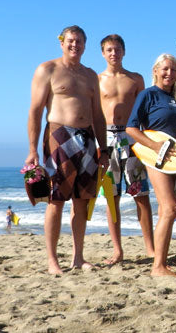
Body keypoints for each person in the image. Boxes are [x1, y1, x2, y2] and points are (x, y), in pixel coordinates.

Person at [26, 25, 109, 275]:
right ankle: (52, 261)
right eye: (71, 41)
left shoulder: (91, 75)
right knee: (56, 200)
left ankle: (78, 257)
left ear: (85, 45)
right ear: (61, 42)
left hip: (87, 139)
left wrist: (103, 149)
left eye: (80, 41)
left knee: (82, 201)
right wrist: (32, 150)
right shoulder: (48, 69)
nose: (75, 45)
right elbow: (35, 111)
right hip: (59, 135)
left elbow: (98, 115)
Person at [126, 53, 176, 277]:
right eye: (165, 69)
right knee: (171, 207)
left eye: (173, 70)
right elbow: (131, 128)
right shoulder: (148, 95)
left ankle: (161, 263)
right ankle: (158, 266)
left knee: (166, 209)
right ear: (155, 70)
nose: (169, 73)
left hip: (175, 160)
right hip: (156, 158)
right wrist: (154, 146)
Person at [98, 34, 155, 263]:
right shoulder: (97, 79)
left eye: (117, 49)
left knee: (141, 195)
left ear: (124, 51)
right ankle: (117, 250)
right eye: (109, 50)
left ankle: (150, 247)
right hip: (107, 138)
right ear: (103, 53)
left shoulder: (135, 79)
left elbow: (145, 112)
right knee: (112, 197)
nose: (114, 54)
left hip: (132, 138)